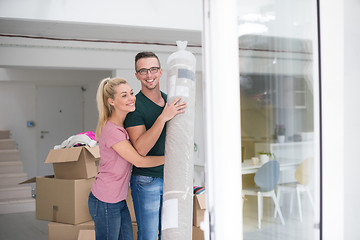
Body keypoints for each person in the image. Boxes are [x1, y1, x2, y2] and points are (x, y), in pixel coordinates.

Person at [88, 77, 166, 240]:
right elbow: (139, 161)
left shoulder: (121, 128)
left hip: (118, 199)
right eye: (124, 95)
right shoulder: (112, 131)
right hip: (106, 200)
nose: (131, 98)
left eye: (131, 93)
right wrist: (170, 158)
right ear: (111, 101)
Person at [124, 52, 186, 240]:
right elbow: (141, 149)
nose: (148, 75)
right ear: (136, 75)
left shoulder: (170, 101)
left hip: (172, 178)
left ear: (160, 72)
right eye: (143, 71)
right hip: (147, 180)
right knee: (149, 236)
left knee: (169, 235)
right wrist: (163, 117)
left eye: (152, 69)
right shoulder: (134, 106)